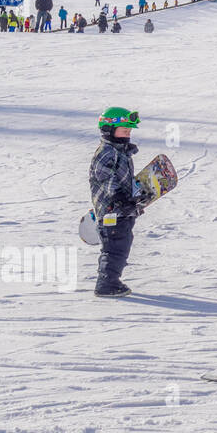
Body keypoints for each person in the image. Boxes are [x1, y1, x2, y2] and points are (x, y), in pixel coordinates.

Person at [89, 108, 144, 296]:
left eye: (129, 131)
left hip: (121, 211)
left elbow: (123, 179)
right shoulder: (106, 152)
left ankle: (111, 281)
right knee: (114, 249)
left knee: (122, 244)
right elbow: (105, 179)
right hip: (113, 211)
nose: (128, 134)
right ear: (108, 129)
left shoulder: (120, 152)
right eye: (124, 130)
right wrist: (120, 199)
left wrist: (135, 197)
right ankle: (105, 285)